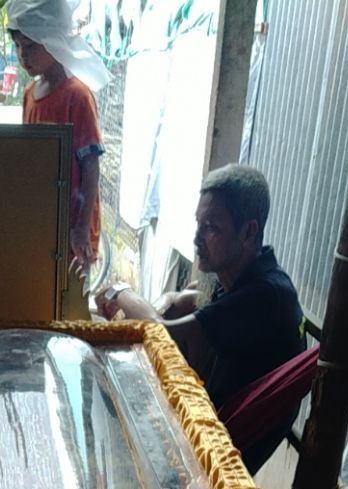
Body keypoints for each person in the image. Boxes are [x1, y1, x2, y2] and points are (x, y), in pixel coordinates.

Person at [97, 164, 305, 472]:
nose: (196, 238)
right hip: (211, 426)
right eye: (198, 223)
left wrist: (119, 291)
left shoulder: (267, 296)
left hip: (221, 455)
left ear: (248, 232)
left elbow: (164, 334)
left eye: (211, 227)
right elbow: (187, 298)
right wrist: (166, 302)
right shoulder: (243, 276)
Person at [8, 0, 109, 313]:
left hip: (72, 230)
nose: (23, 55)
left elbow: (90, 166)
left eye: (31, 46)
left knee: (69, 307)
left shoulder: (77, 96)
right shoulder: (29, 95)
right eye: (18, 46)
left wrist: (80, 227)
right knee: (38, 305)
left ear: (53, 40)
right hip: (41, 225)